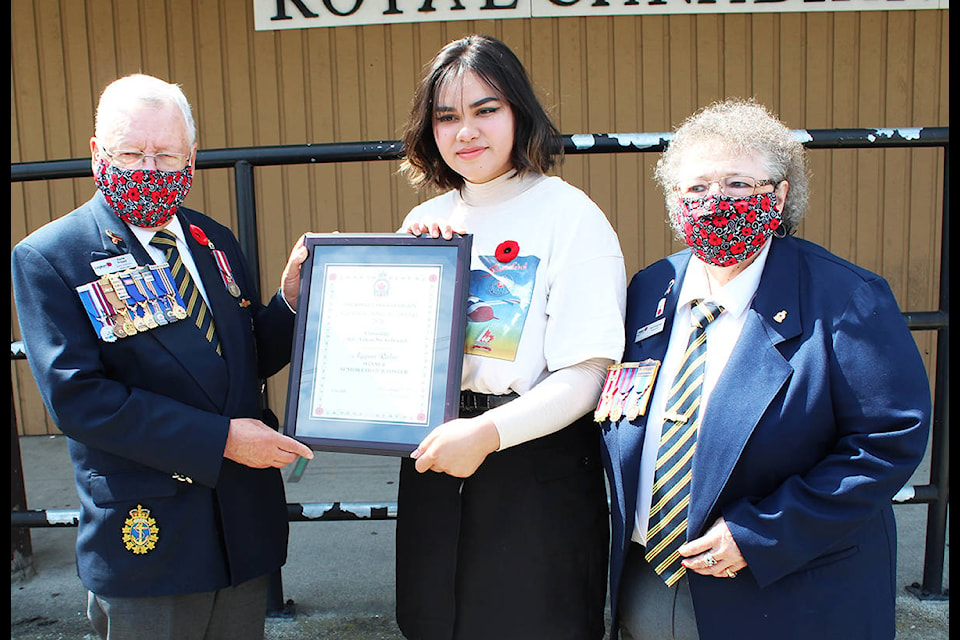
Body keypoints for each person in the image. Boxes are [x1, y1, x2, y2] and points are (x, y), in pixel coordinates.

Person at [599, 98, 931, 640]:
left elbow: (887, 441)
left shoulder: (847, 297)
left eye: (737, 185)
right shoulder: (649, 287)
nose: (715, 202)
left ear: (777, 197)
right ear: (675, 202)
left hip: (788, 596)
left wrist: (762, 533)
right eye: (698, 188)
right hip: (647, 586)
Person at [11, 73, 315, 640]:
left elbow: (241, 357)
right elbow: (81, 401)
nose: (149, 168)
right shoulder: (52, 256)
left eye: (166, 153)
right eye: (131, 152)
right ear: (98, 153)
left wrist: (291, 302)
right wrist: (221, 439)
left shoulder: (213, 239)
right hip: (149, 534)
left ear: (192, 157)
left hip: (239, 525)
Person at [393, 35, 626, 640]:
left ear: (519, 111)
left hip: (533, 463)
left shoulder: (570, 216)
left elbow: (587, 375)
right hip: (435, 455)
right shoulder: (428, 222)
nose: (466, 131)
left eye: (485, 110)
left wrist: (490, 433)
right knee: (433, 621)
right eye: (446, 117)